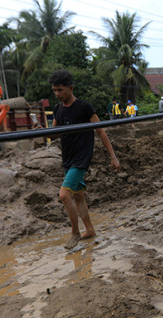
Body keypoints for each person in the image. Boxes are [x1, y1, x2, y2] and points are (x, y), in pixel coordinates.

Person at [50, 70, 120, 250]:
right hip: (68, 157)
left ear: (70, 88)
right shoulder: (58, 109)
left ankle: (75, 233)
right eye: (54, 91)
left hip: (82, 158)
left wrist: (113, 156)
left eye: (60, 90)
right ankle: (89, 229)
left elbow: (100, 131)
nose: (57, 94)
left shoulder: (84, 107)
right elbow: (54, 132)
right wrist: (38, 130)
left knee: (64, 195)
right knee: (77, 195)